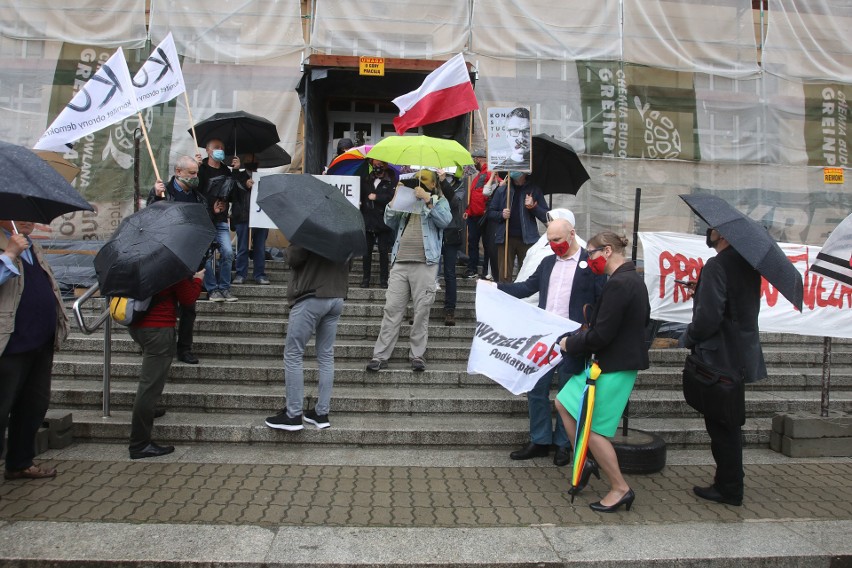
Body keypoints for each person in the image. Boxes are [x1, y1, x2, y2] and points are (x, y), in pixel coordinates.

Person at [554, 232, 651, 512]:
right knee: (564, 402)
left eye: (591, 254)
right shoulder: (627, 279)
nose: (588, 260)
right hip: (608, 363)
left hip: (614, 365)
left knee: (594, 430)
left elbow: (602, 335)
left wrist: (569, 343)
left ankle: (620, 488)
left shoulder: (621, 283)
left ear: (607, 251)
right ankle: (584, 461)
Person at [497, 218, 605, 466]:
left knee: (568, 394)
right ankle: (540, 440)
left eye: (557, 240)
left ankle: (563, 444)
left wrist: (594, 335)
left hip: (576, 339)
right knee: (536, 389)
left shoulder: (590, 266)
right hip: (546, 339)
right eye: (550, 241)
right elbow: (526, 288)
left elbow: (601, 300)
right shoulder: (547, 263)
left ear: (571, 234)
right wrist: (497, 288)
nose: (554, 245)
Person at [682, 227, 766, 507]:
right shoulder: (747, 265)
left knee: (721, 426)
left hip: (719, 357)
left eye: (713, 230)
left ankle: (729, 488)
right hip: (738, 355)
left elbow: (709, 318)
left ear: (726, 235)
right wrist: (701, 291)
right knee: (727, 424)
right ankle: (730, 482)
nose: (709, 233)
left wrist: (688, 337)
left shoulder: (717, 265)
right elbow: (732, 305)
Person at [0, 219, 67, 480]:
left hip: (39, 341)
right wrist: (9, 254)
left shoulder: (31, 246)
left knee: (33, 405)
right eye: (19, 214)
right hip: (10, 344)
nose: (27, 221)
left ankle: (20, 462)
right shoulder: (11, 245)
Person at [366, 169, 452, 372]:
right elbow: (389, 221)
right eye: (418, 179)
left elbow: (445, 221)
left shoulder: (440, 201)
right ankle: (380, 355)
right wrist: (396, 198)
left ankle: (417, 355)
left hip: (425, 263)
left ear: (433, 184)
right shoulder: (407, 200)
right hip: (400, 262)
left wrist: (428, 202)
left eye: (425, 180)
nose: (420, 183)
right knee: (391, 310)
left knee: (422, 311)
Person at [265, 245, 349, 431]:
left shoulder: (311, 225)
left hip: (311, 294)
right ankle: (321, 413)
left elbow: (294, 257)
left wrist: (288, 248)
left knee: (293, 354)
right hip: (336, 296)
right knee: (326, 355)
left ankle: (293, 414)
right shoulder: (344, 229)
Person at [127, 271, 204, 459]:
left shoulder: (141, 262)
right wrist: (198, 279)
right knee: (150, 387)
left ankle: (148, 411)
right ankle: (139, 444)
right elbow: (188, 298)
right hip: (158, 328)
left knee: (149, 383)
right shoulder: (171, 267)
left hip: (137, 325)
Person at [149, 155, 213, 365]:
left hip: (190, 258)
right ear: (178, 172)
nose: (196, 177)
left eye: (196, 173)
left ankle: (184, 348)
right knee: (165, 305)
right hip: (166, 256)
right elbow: (150, 218)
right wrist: (156, 197)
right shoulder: (163, 192)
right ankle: (160, 345)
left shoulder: (198, 197)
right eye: (191, 173)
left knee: (189, 306)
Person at [197, 138, 240, 303]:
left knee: (228, 253)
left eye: (222, 147)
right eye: (216, 148)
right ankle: (212, 289)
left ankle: (225, 288)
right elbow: (197, 192)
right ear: (207, 150)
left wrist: (236, 171)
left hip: (221, 220)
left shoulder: (226, 171)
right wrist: (197, 166)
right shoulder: (201, 169)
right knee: (206, 256)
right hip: (205, 220)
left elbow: (234, 195)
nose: (220, 150)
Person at [486, 170, 549, 282]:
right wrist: (501, 214)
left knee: (526, 275)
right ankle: (505, 298)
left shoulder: (534, 190)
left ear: (525, 171)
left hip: (527, 240)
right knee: (504, 277)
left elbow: (546, 216)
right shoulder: (502, 190)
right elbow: (490, 212)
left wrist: (533, 207)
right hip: (505, 239)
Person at [514, 209, 587, 305]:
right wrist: (497, 286)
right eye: (549, 220)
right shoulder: (543, 244)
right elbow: (528, 285)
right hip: (533, 296)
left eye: (553, 220)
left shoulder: (583, 251)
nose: (549, 223)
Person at [231, 159, 270, 285]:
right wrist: (244, 183)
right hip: (243, 217)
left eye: (254, 158)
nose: (252, 160)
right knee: (242, 247)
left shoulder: (264, 179)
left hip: (260, 218)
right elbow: (231, 191)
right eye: (249, 157)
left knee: (259, 247)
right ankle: (240, 273)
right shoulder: (238, 176)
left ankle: (259, 274)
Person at [359, 159, 396, 288]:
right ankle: (365, 279)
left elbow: (393, 198)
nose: (377, 167)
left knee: (383, 251)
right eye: (374, 165)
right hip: (368, 220)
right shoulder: (366, 179)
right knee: (366, 251)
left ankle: (383, 280)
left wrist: (377, 198)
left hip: (383, 222)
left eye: (379, 165)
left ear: (385, 165)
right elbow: (361, 195)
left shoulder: (392, 181)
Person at [438, 169, 466, 326]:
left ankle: (450, 309)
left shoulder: (459, 185)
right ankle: (422, 308)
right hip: (434, 232)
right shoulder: (433, 182)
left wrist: (444, 183)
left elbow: (454, 202)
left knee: (449, 272)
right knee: (429, 272)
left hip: (451, 232)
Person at [462, 148, 493, 279]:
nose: (473, 162)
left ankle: (485, 271)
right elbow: (475, 196)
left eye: (474, 159)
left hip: (484, 215)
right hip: (474, 215)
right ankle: (473, 269)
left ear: (478, 159)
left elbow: (488, 194)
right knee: (473, 243)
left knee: (485, 244)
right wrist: (468, 210)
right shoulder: (480, 175)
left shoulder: (490, 173)